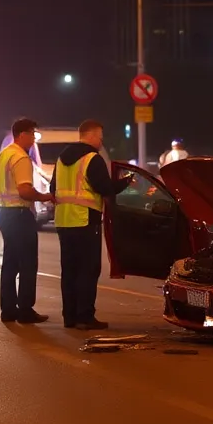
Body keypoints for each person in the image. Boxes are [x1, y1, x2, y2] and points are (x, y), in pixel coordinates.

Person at [49, 119, 130, 330]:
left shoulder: (61, 158)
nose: (101, 142)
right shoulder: (92, 159)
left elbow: (53, 188)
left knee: (69, 270)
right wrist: (127, 181)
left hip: (63, 222)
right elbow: (106, 188)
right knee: (88, 269)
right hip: (85, 221)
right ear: (92, 135)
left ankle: (70, 317)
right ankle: (85, 316)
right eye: (100, 137)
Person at [0, 117, 54, 324]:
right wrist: (47, 197)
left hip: (4, 213)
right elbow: (25, 191)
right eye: (32, 133)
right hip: (19, 215)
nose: (33, 138)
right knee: (27, 264)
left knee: (10, 264)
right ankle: (26, 310)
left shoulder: (4, 154)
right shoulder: (20, 157)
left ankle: (8, 310)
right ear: (22, 134)